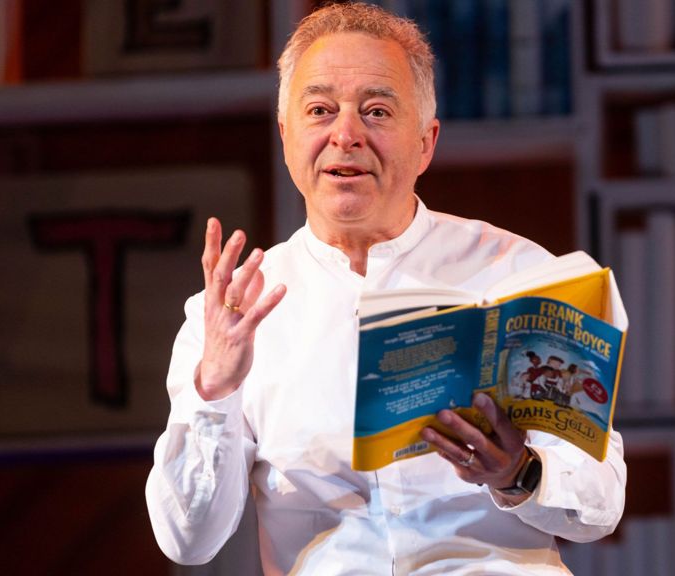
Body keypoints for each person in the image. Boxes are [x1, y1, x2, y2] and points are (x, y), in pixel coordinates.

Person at [145, 3, 626, 574]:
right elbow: (187, 540)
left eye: (376, 111)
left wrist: (518, 473)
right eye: (320, 110)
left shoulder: (519, 271)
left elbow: (603, 504)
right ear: (285, 135)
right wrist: (215, 391)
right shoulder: (227, 314)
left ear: (426, 142)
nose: (345, 135)